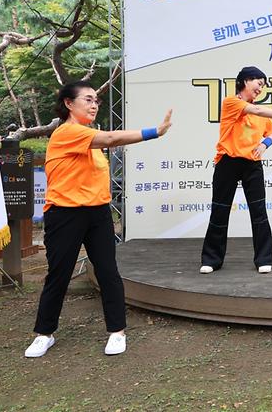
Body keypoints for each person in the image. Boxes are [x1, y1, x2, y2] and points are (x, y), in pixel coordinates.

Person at [25, 81, 172, 358]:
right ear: (69, 103)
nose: (94, 105)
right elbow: (111, 139)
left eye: (97, 101)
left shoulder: (88, 137)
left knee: (108, 271)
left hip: (98, 213)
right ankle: (44, 334)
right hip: (65, 214)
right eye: (88, 100)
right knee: (59, 274)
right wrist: (156, 131)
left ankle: (117, 332)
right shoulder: (67, 132)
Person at [199, 66, 272, 275]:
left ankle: (263, 259)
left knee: (259, 212)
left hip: (252, 165)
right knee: (220, 211)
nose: (260, 89)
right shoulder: (231, 103)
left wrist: (265, 143)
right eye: (259, 83)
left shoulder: (259, 111)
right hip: (227, 163)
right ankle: (212, 259)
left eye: (263, 86)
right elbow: (256, 111)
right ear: (245, 81)